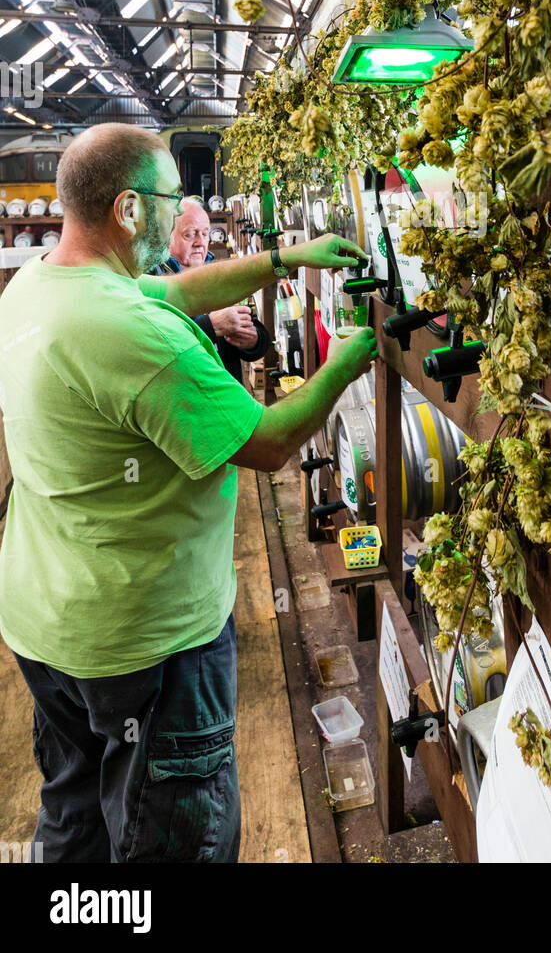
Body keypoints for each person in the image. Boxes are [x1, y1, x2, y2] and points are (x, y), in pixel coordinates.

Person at [0, 123, 376, 863]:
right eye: (173, 200)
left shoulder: (40, 284)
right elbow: (267, 444)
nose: (182, 217)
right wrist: (342, 367)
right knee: (172, 837)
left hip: (47, 626)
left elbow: (169, 288)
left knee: (75, 820)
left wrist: (283, 259)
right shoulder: (133, 334)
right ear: (129, 211)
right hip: (146, 645)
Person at [153, 196, 272, 384]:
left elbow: (258, 334)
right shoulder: (154, 281)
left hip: (226, 398)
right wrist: (210, 326)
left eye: (205, 233)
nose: (200, 242)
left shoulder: (216, 276)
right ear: (167, 236)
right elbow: (157, 347)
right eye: (190, 234)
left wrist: (253, 340)